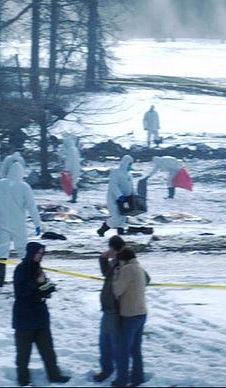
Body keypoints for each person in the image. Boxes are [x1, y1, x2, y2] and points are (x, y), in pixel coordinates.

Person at [12, 242, 70, 386]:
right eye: (38, 253)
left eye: (42, 253)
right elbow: (21, 293)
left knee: (48, 351)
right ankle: (23, 379)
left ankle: (54, 375)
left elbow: (43, 287)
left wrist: (48, 288)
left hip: (40, 317)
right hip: (24, 318)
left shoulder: (38, 268)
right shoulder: (21, 269)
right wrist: (36, 282)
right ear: (31, 253)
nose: (40, 256)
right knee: (24, 354)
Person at [0, 162, 45, 288]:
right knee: (23, 252)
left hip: (2, 223)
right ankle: (29, 276)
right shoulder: (24, 187)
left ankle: (0, 280)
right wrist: (37, 224)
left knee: (2, 251)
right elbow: (32, 207)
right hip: (18, 225)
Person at [112, 247, 149, 387]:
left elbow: (117, 290)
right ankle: (137, 377)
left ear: (123, 260)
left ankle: (121, 380)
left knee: (124, 350)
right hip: (141, 312)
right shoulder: (139, 267)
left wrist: (116, 276)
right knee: (136, 350)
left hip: (130, 314)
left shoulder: (127, 269)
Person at [94, 236, 127, 382]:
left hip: (115, 310)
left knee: (112, 343)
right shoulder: (115, 262)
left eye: (110, 249)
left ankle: (116, 373)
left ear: (114, 249)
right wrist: (103, 259)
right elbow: (107, 275)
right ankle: (108, 369)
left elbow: (144, 279)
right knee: (105, 342)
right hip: (108, 309)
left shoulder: (125, 263)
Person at [100, 155, 134, 237]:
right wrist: (119, 195)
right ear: (125, 163)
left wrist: (134, 195)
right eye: (129, 164)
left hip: (125, 199)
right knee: (116, 216)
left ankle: (120, 233)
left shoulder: (129, 174)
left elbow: (131, 186)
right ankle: (102, 230)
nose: (130, 166)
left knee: (123, 216)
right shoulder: (116, 172)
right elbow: (113, 185)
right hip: (114, 198)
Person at [61, 136, 82, 203]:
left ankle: (74, 199)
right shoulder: (75, 149)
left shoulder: (70, 150)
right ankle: (74, 198)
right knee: (74, 183)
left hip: (72, 169)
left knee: (72, 183)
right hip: (76, 168)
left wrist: (66, 169)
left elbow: (69, 161)